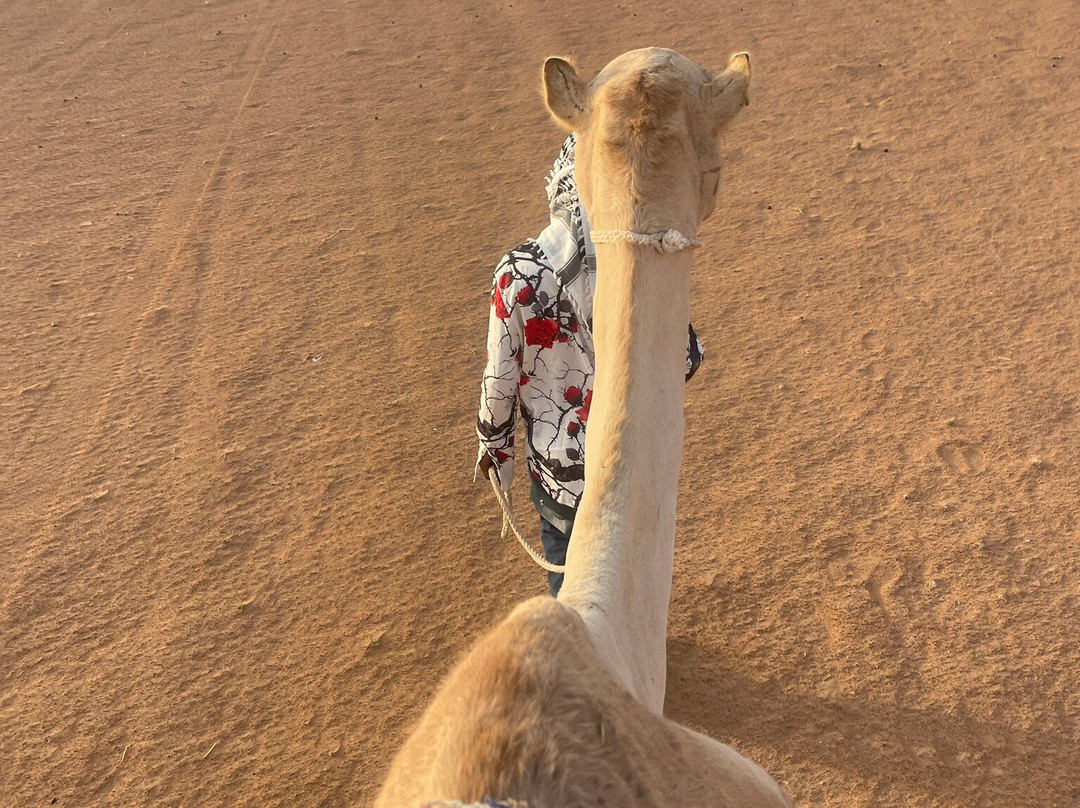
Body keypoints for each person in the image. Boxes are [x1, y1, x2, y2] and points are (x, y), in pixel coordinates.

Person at [476, 134, 704, 597]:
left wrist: (495, 452)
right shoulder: (640, 264)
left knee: (574, 599)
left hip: (561, 481)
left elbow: (498, 385)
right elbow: (684, 359)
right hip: (634, 468)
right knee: (631, 591)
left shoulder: (516, 275)